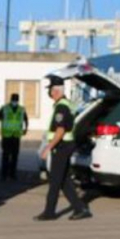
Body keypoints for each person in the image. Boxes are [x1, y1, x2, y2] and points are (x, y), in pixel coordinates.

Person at [36, 75, 91, 221]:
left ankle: (49, 212)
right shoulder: (65, 104)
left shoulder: (62, 106)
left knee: (55, 180)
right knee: (64, 181)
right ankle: (80, 209)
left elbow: (60, 130)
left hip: (62, 147)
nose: (49, 93)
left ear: (56, 91)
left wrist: (48, 147)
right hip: (64, 146)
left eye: (50, 90)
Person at [0, 93, 28, 180]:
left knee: (15, 156)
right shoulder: (4, 108)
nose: (15, 102)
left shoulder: (21, 109)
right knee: (5, 156)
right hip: (6, 136)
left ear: (18, 101)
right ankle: (4, 175)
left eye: (16, 100)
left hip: (16, 136)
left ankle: (12, 174)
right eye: (14, 100)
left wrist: (25, 129)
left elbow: (26, 119)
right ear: (11, 100)